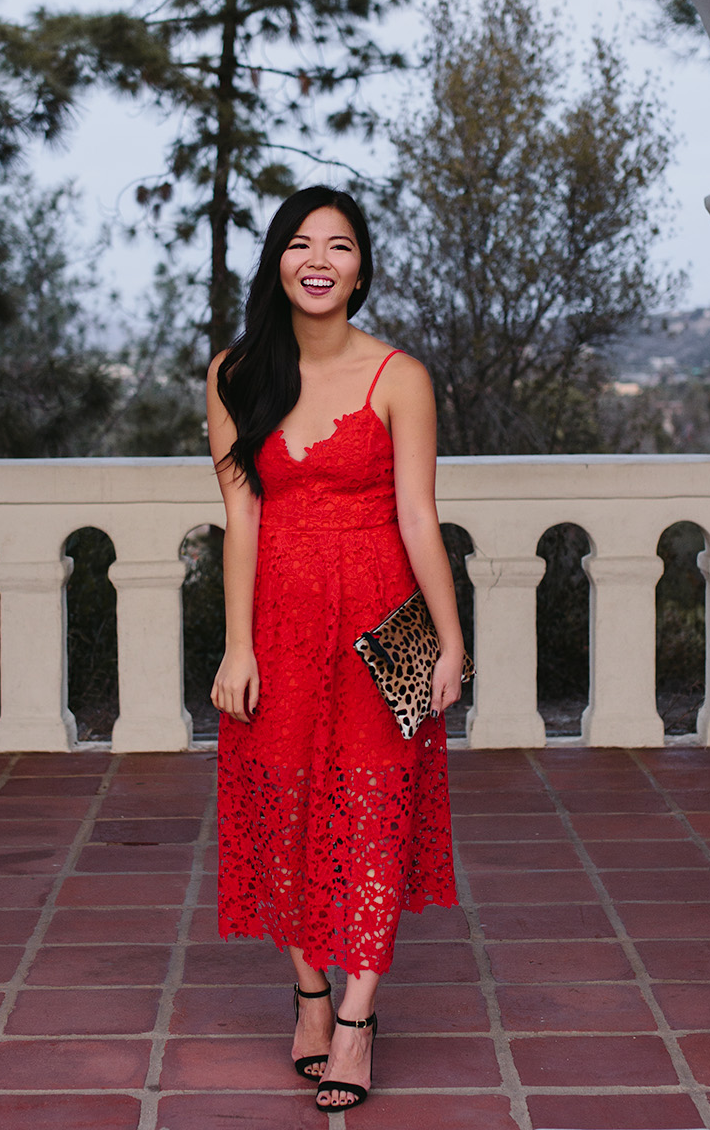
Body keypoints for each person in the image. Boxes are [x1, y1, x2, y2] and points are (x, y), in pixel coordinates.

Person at [206, 186, 466, 1112]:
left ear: (362, 267)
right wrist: (238, 646)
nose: (320, 259)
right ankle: (310, 993)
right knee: (280, 808)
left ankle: (358, 1014)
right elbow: (240, 516)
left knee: (373, 809)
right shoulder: (235, 372)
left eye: (340, 245)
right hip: (277, 618)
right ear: (278, 260)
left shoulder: (400, 375)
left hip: (385, 624)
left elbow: (419, 514)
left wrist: (450, 636)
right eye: (301, 243)